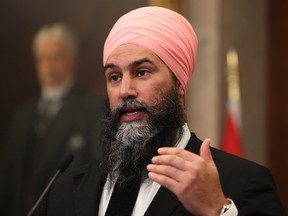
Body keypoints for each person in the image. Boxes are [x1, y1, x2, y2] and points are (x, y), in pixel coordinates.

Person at [37, 7, 285, 216]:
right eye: (114, 77)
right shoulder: (65, 189)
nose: (125, 90)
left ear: (179, 83)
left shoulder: (242, 182)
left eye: (142, 72)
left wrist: (217, 209)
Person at [0, 23, 104, 215]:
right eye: (43, 58)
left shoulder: (92, 109)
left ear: (72, 60)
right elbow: (7, 179)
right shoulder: (21, 117)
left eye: (56, 57)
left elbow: (96, 174)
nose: (48, 65)